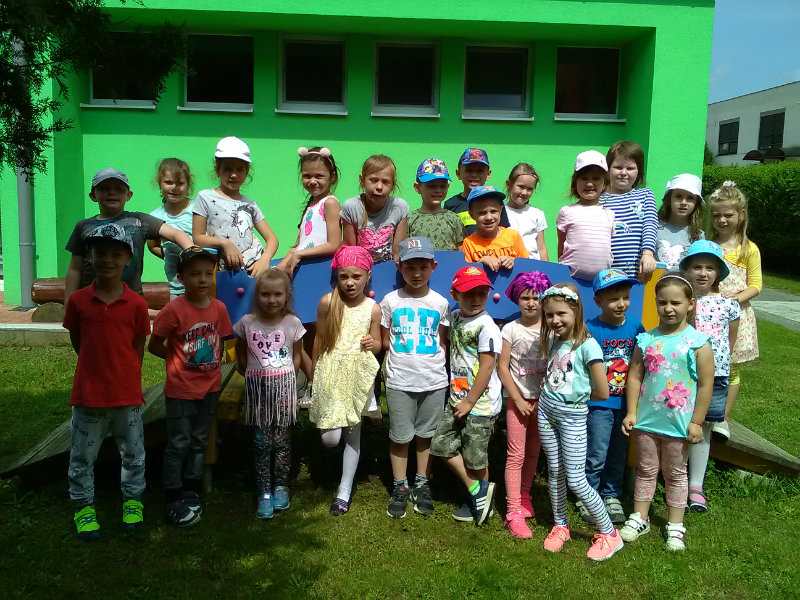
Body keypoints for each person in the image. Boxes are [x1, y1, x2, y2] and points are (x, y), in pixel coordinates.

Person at [63, 224, 151, 540]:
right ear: (90, 256)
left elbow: (138, 346)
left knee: (133, 454)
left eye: (116, 254)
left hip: (126, 395)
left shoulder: (137, 304)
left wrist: (126, 376)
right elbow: (78, 340)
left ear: (128, 259)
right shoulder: (78, 301)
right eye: (101, 253)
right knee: (82, 456)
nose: (108, 260)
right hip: (88, 395)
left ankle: (133, 502)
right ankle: (84, 507)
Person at [621, 273, 714, 551]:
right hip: (646, 422)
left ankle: (675, 525)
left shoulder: (698, 343)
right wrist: (631, 412)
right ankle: (640, 517)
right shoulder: (646, 340)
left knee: (675, 474)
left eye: (676, 302)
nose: (669, 308)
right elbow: (634, 376)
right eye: (662, 302)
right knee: (646, 470)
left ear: (691, 304)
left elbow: (706, 385)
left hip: (679, 425)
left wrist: (697, 422)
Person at [148, 246, 233, 527]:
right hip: (181, 391)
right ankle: (173, 496)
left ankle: (191, 489)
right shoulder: (173, 310)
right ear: (181, 278)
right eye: (195, 274)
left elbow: (223, 342)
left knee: (199, 441)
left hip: (210, 389)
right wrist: (177, 360)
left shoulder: (219, 308)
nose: (203, 279)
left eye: (208, 273)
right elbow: (154, 345)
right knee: (179, 443)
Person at [536, 283, 623, 561]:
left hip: (572, 419)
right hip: (546, 412)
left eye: (561, 313)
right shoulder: (554, 339)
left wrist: (575, 401)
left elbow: (602, 391)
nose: (555, 320)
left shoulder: (588, 346)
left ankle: (610, 534)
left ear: (576, 311)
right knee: (555, 471)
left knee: (576, 479)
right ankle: (561, 525)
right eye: (549, 315)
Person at [380, 237, 451, 518]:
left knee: (426, 435)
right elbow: (385, 341)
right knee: (400, 436)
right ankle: (400, 485)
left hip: (433, 380)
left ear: (433, 266)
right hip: (399, 380)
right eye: (410, 267)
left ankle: (422, 483)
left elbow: (442, 341)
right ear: (400, 267)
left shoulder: (441, 303)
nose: (417, 273)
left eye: (423, 267)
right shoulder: (390, 301)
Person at [309, 246, 382, 516]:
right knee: (330, 439)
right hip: (330, 372)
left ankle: (344, 489)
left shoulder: (372, 308)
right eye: (344, 277)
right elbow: (319, 339)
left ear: (368, 276)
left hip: (356, 374)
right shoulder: (327, 303)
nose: (350, 282)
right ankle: (333, 456)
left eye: (356, 276)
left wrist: (373, 343)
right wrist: (314, 375)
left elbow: (378, 344)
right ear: (337, 277)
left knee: (354, 432)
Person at [430, 266, 501, 527]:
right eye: (468, 293)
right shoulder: (456, 316)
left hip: (480, 405)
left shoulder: (487, 326)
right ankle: (478, 492)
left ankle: (481, 505)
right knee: (441, 445)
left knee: (475, 458)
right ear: (455, 295)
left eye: (481, 293)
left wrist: (471, 400)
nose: (476, 298)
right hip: (457, 397)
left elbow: (487, 367)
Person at [234, 269, 305, 520]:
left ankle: (281, 486)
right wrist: (249, 371)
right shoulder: (247, 323)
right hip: (258, 392)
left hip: (284, 390)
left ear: (286, 296)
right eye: (265, 294)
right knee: (261, 441)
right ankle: (264, 490)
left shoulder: (293, 323)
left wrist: (290, 380)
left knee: (282, 441)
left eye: (277, 294)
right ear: (258, 295)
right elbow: (241, 352)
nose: (271, 300)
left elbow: (297, 356)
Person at [65, 167, 193, 300]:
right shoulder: (83, 226)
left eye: (119, 189)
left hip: (130, 301)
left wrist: (193, 254)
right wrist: (69, 302)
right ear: (93, 195)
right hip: (90, 301)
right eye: (104, 188)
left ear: (129, 195)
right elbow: (75, 269)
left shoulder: (139, 220)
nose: (112, 193)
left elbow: (176, 234)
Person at [582, 269, 645, 525]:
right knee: (596, 452)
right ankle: (588, 496)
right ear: (598, 301)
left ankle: (611, 495)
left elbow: (640, 365)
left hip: (625, 403)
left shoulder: (635, 327)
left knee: (618, 452)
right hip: (598, 403)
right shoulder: (590, 329)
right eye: (613, 299)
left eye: (625, 297)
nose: (621, 304)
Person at [681, 241, 740, 512]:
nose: (703, 273)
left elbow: (730, 341)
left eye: (709, 268)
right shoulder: (682, 301)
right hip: (683, 373)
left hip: (715, 376)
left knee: (702, 429)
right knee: (680, 425)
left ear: (718, 272)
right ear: (686, 270)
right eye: (696, 267)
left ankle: (696, 485)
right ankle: (677, 480)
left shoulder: (729, 305)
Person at [497, 271, 552, 539]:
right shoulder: (510, 328)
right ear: (517, 299)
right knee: (516, 454)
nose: (531, 303)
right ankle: (513, 511)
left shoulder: (551, 328)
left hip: (544, 402)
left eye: (537, 298)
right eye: (525, 298)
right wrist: (517, 399)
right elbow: (502, 367)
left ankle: (525, 495)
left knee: (533, 452)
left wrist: (543, 399)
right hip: (517, 400)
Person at [708, 181, 761, 440]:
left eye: (728, 214)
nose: (722, 220)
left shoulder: (748, 249)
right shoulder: (708, 245)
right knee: (706, 364)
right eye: (716, 215)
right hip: (709, 318)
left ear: (741, 215)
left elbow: (756, 285)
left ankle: (722, 417)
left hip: (735, 318)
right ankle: (703, 408)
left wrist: (735, 299)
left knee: (731, 368)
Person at [192, 136, 279, 277]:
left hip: (253, 271)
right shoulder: (205, 197)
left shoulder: (250, 204)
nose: (234, 175)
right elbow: (198, 238)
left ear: (247, 171)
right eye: (227, 169)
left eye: (239, 169)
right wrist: (224, 243)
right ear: (217, 170)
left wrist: (264, 260)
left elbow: (272, 239)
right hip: (224, 273)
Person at [276, 146, 342, 274]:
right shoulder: (311, 204)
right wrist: (280, 268)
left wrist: (300, 254)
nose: (312, 181)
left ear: (332, 177)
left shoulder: (330, 203)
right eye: (307, 176)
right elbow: (297, 245)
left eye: (319, 176)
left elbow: (333, 245)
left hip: (319, 268)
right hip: (305, 267)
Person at [599, 141, 658, 279]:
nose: (623, 173)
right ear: (608, 169)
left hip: (637, 272)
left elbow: (650, 225)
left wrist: (648, 253)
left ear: (639, 171)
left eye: (630, 168)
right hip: (606, 274)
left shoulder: (645, 195)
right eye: (618, 167)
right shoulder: (599, 199)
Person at [557, 151, 615, 281]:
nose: (589, 184)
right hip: (570, 279)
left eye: (596, 178)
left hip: (601, 282)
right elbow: (561, 247)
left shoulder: (609, 214)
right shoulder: (566, 212)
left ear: (605, 183)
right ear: (575, 182)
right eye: (584, 178)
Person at [341, 154, 409, 262]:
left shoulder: (399, 207)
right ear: (362, 180)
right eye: (373, 180)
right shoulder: (351, 207)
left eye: (385, 182)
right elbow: (350, 251)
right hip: (359, 267)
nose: (379, 187)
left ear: (393, 184)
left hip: (389, 266)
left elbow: (398, 254)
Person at [147, 158, 196, 300]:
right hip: (177, 285)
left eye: (180, 183)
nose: (174, 188)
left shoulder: (198, 209)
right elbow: (153, 246)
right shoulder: (155, 216)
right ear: (159, 183)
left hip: (204, 282)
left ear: (188, 185)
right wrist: (169, 256)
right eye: (169, 182)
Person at [443, 148, 510, 235]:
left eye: (480, 171)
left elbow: (503, 233)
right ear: (458, 173)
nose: (474, 175)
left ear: (488, 174)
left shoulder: (496, 202)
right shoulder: (451, 204)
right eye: (469, 170)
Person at [461, 185, 529, 272]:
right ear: (472, 215)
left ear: (501, 210)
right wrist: (481, 262)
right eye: (482, 213)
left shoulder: (513, 236)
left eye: (493, 211)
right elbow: (466, 273)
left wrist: (514, 261)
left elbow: (526, 264)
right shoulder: (469, 243)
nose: (489, 217)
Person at [406, 158, 466, 251]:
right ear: (417, 187)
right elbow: (403, 250)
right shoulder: (410, 219)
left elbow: (462, 250)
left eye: (442, 186)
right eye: (431, 186)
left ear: (448, 187)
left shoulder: (454, 219)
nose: (438, 190)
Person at [656, 174, 705, 270]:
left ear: (696, 203)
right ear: (669, 199)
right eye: (678, 196)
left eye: (690, 198)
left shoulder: (698, 235)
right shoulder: (654, 228)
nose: (683, 202)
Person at [504, 163, 549, 260]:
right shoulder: (500, 213)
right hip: (508, 264)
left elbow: (541, 248)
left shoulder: (537, 214)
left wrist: (545, 268)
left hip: (532, 266)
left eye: (529, 189)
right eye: (520, 186)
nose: (524, 192)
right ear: (508, 184)